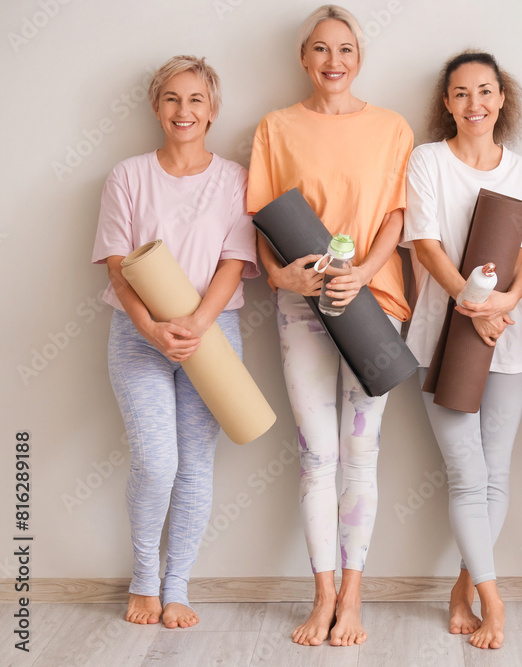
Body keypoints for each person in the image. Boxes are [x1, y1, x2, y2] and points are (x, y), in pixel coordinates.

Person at [246, 4, 413, 647]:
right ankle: (320, 597)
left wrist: (367, 271)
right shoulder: (276, 127)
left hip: (375, 303)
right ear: (303, 59)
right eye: (320, 49)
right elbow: (261, 217)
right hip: (300, 305)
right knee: (318, 454)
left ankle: (354, 597)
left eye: (344, 49)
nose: (333, 61)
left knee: (361, 454)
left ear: (359, 58)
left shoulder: (392, 128)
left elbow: (397, 216)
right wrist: (281, 277)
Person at [92, 55, 259, 629]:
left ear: (212, 110)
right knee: (156, 462)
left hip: (212, 336)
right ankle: (143, 579)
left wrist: (196, 324)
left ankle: (177, 585)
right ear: (156, 107)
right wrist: (153, 328)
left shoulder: (234, 178)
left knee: (194, 467)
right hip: (139, 337)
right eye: (171, 99)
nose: (183, 111)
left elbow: (236, 262)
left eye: (195, 100)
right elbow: (117, 265)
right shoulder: (128, 176)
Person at [403, 51, 522, 650]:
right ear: (447, 103)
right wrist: (470, 302)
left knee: (495, 473)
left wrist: (504, 305)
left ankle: (464, 587)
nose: (475, 104)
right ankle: (495, 603)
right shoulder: (427, 161)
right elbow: (426, 246)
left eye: (485, 91)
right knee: (465, 474)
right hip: (445, 334)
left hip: (513, 339)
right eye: (461, 93)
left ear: (502, 99)